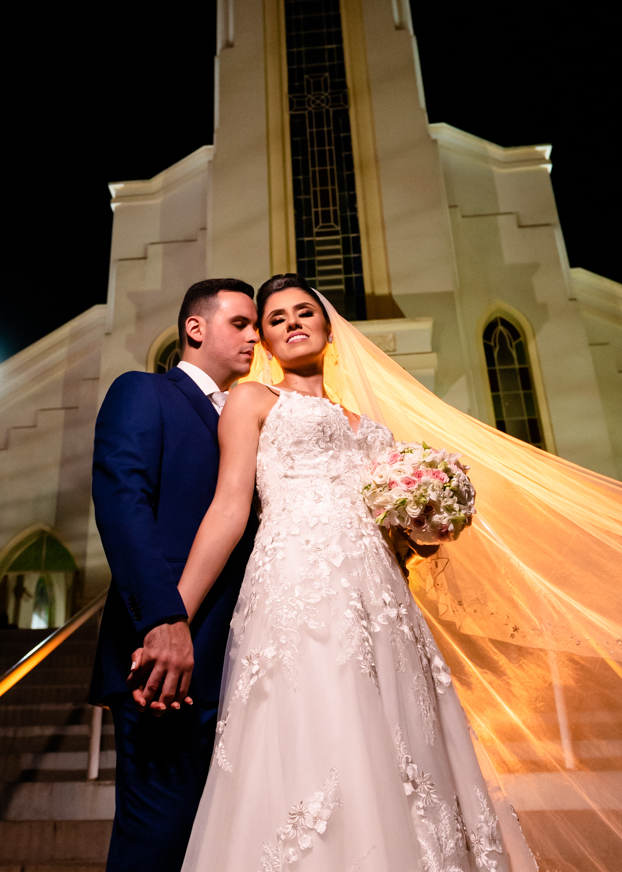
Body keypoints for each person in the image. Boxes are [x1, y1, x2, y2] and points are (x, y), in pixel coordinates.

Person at [135, 272, 535, 872]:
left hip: (383, 599)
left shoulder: (372, 426)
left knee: (401, 745)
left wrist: (428, 519)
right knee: (320, 735)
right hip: (299, 586)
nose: (292, 323)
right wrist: (175, 613)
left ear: (328, 328)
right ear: (266, 344)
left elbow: (406, 542)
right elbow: (228, 508)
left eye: (303, 312)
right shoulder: (254, 402)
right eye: (275, 319)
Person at [89, 278, 259, 872]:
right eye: (240, 323)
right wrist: (163, 619)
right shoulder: (144, 393)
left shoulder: (250, 419)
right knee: (158, 841)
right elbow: (122, 505)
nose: (254, 336)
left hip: (247, 666)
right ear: (195, 328)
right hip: (163, 662)